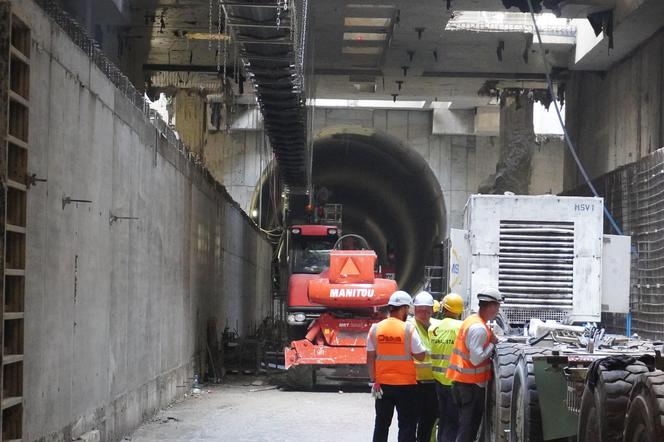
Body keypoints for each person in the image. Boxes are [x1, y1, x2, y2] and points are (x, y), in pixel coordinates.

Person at [367, 290, 426, 442]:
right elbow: (421, 355)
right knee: (407, 424)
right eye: (407, 309)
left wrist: (374, 380)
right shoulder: (408, 329)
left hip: (383, 385)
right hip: (406, 386)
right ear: (403, 309)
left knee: (381, 424)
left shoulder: (375, 329)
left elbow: (370, 357)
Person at [446, 287, 502, 442]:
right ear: (490, 306)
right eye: (497, 306)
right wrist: (492, 344)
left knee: (466, 428)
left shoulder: (471, 320)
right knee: (468, 430)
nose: (498, 310)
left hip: (464, 384)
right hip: (471, 386)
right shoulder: (479, 328)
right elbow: (476, 360)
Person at [429, 293, 464, 442]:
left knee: (443, 419)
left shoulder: (434, 327)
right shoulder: (462, 327)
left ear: (444, 308)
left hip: (437, 381)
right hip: (454, 383)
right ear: (460, 311)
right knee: (453, 422)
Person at [408, 291, 440, 442]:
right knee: (413, 419)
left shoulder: (436, 325)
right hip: (415, 381)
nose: (423, 313)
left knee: (429, 420)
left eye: (426, 310)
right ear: (414, 310)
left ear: (432, 310)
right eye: (420, 310)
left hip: (433, 381)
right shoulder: (410, 325)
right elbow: (418, 351)